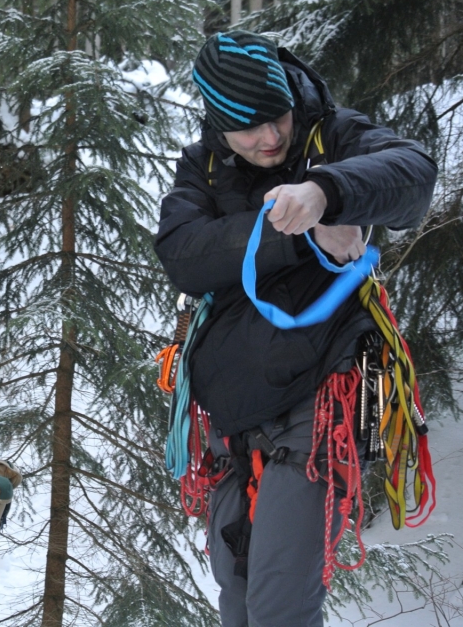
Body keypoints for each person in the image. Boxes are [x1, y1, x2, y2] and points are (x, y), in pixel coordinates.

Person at [154, 31, 437, 626]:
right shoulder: (202, 165)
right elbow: (182, 254)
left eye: (276, 117)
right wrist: (295, 229)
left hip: (315, 412)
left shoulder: (330, 135)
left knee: (279, 608)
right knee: (240, 604)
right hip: (232, 429)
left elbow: (412, 177)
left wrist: (326, 190)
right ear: (216, 120)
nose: (271, 137)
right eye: (248, 127)